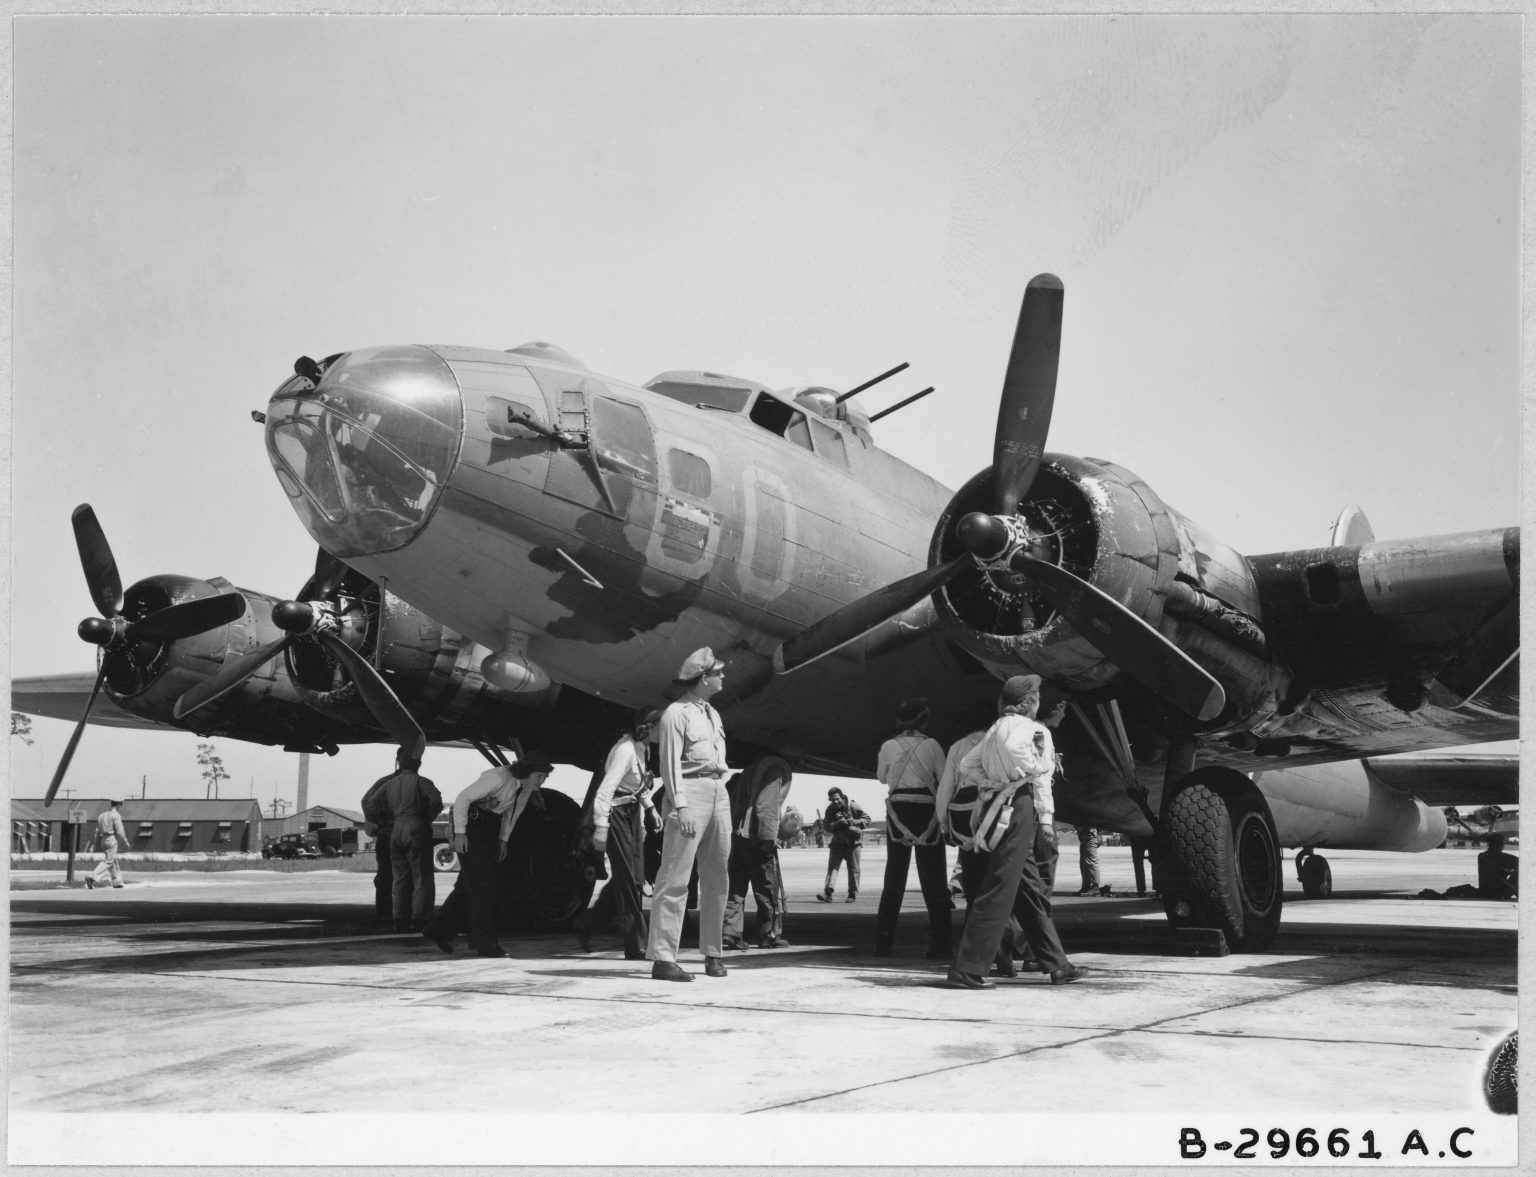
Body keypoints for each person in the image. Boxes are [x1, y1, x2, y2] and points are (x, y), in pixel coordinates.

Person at [946, 675, 1088, 989]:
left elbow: (967, 765)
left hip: (998, 803)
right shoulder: (1036, 731)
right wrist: (1046, 816)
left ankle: (1058, 964)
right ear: (1029, 701)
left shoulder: (996, 728)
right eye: (1036, 696)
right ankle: (967, 968)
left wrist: (993, 781)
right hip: (1020, 807)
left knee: (1028, 890)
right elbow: (1040, 779)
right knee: (999, 884)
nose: (1038, 701)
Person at [647, 648, 733, 982]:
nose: (723, 677)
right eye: (718, 672)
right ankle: (663, 958)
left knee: (717, 875)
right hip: (690, 793)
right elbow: (669, 765)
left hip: (717, 791)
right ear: (703, 678)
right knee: (675, 877)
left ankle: (713, 953)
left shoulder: (713, 714)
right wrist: (680, 804)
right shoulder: (675, 714)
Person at [421, 755, 553, 957]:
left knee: (469, 884)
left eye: (545, 777)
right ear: (526, 772)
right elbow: (462, 799)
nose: (542, 781)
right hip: (471, 827)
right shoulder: (498, 778)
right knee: (486, 886)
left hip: (489, 828)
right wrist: (461, 833)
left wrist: (503, 840)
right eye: (539, 776)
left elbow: (511, 814)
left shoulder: (525, 789)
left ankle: (438, 929)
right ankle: (486, 944)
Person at [575, 708, 662, 960]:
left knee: (635, 877)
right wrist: (601, 827)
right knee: (626, 878)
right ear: (648, 726)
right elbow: (605, 791)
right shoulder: (625, 749)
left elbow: (638, 785)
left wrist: (650, 808)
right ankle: (637, 945)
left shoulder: (643, 748)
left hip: (631, 813)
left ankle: (588, 922)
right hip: (615, 815)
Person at [873, 698, 952, 960]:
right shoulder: (932, 745)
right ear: (924, 721)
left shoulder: (887, 746)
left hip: (898, 811)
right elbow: (942, 778)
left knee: (894, 877)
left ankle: (883, 942)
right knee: (935, 881)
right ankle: (941, 943)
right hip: (926, 809)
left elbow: (882, 777)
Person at [363, 749, 444, 932]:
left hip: (394, 832)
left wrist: (382, 822)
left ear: (399, 762)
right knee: (420, 876)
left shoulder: (388, 783)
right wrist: (426, 818)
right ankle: (420, 919)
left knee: (398, 878)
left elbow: (369, 804)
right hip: (415, 828)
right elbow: (436, 801)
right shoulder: (421, 782)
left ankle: (399, 919)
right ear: (419, 764)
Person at [723, 759, 792, 949]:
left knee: (736, 887)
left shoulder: (751, 767)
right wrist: (768, 839)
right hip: (757, 837)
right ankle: (769, 935)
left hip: (738, 835)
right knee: (767, 890)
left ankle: (730, 933)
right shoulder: (777, 767)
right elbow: (766, 805)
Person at [1421, 835, 1520, 900]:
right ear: (1501, 846)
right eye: (1499, 845)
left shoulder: (1484, 856)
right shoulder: (1493, 857)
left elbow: (1498, 869)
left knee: (1456, 890)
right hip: (1496, 891)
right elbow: (1497, 870)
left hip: (1491, 891)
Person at [817, 787, 868, 902]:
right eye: (832, 800)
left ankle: (852, 894)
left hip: (853, 844)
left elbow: (866, 819)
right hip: (837, 843)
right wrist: (837, 824)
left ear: (842, 797)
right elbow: (827, 826)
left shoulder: (853, 806)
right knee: (832, 868)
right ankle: (828, 893)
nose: (835, 802)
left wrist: (854, 822)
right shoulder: (830, 810)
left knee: (854, 869)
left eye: (837, 799)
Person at [84, 798, 128, 890]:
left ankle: (117, 882)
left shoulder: (101, 815)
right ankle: (92, 876)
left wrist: (94, 844)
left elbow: (96, 831)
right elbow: (120, 830)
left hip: (102, 839)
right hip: (111, 838)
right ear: (119, 804)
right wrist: (125, 840)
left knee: (113, 860)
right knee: (109, 861)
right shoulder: (116, 815)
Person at [1075, 825, 1101, 895]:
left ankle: (1095, 888)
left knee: (1092, 863)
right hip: (1084, 839)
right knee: (1084, 864)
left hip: (1091, 837)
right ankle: (1086, 887)